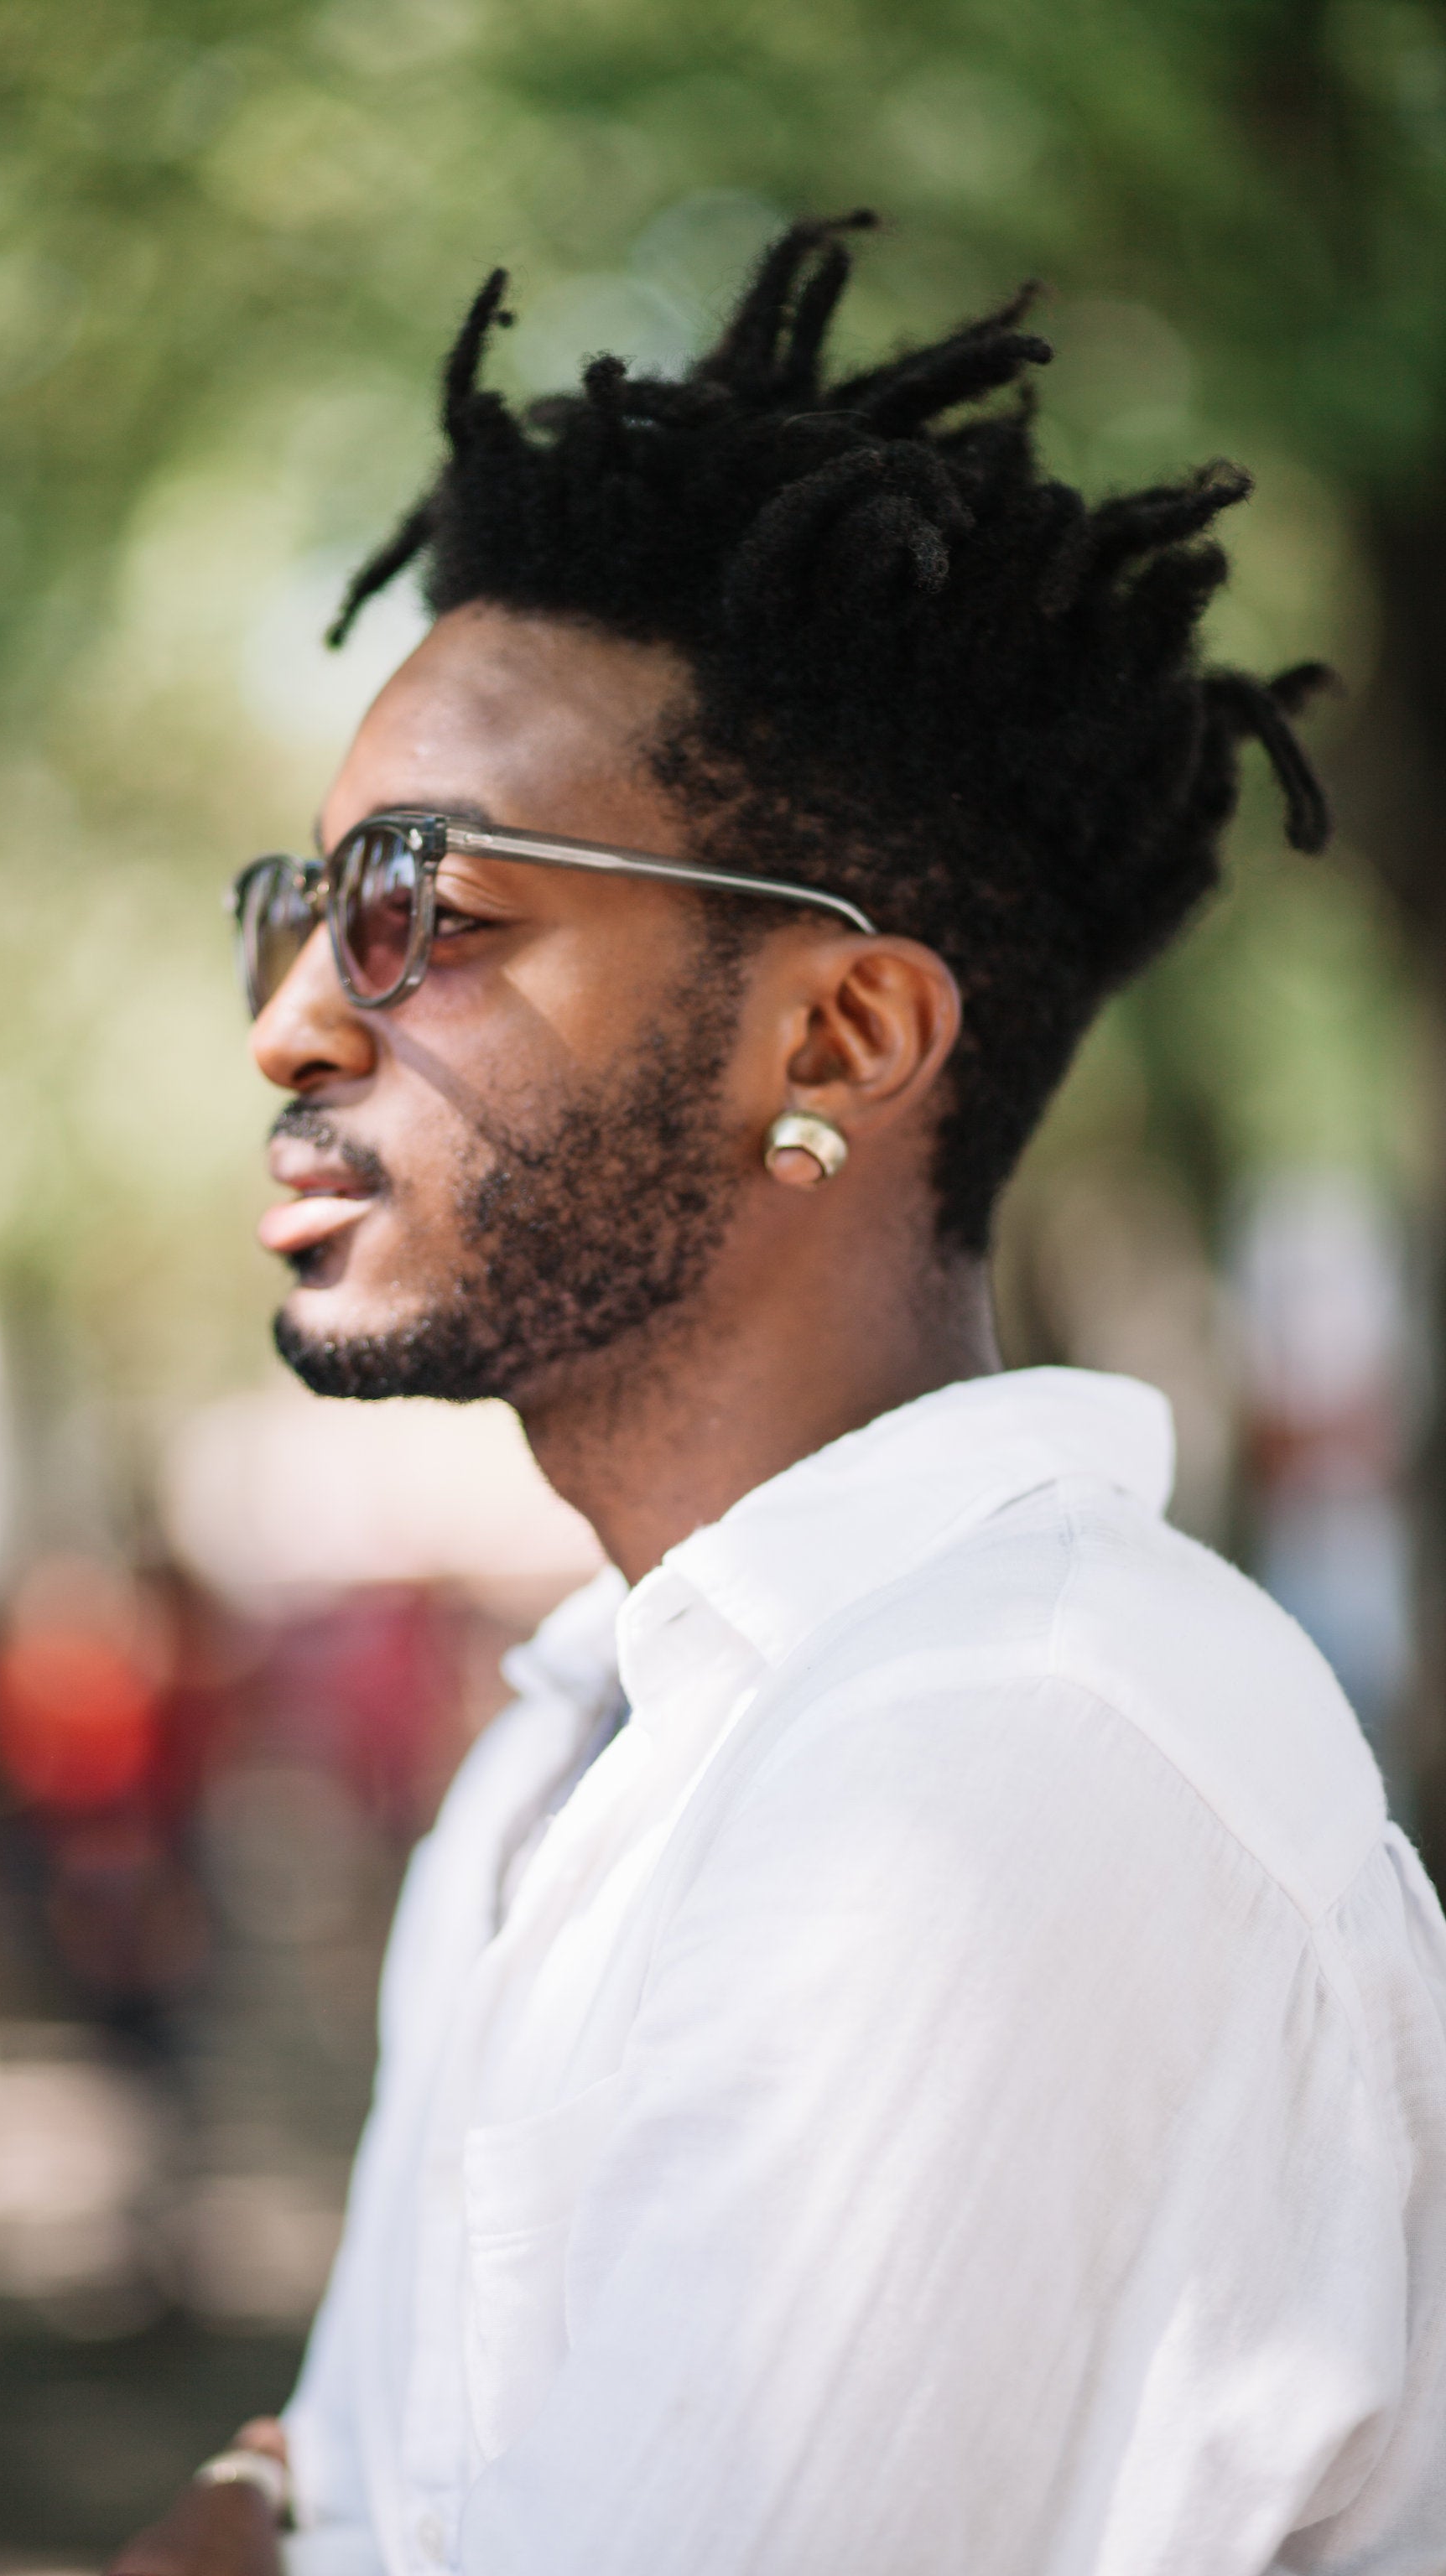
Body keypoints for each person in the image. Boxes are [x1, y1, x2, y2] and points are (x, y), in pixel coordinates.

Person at [109, 216, 1446, 2575]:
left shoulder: (1005, 1755)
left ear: (835, 1042)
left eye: (424, 902)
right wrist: (271, 2490)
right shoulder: (576, 1746)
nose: (296, 1021)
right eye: (303, 905)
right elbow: (348, 2482)